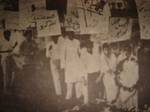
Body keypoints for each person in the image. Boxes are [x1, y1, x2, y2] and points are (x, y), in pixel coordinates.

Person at [117, 47, 139, 111]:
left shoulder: (134, 60)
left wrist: (134, 83)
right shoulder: (124, 62)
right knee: (124, 96)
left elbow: (136, 73)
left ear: (130, 51)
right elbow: (123, 73)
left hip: (133, 82)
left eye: (128, 51)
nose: (127, 53)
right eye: (125, 52)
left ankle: (132, 108)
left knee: (132, 98)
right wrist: (122, 81)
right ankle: (126, 108)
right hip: (126, 82)